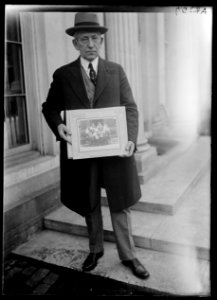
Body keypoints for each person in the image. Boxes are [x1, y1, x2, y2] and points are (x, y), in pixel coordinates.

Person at [42, 12, 150, 280]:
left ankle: (129, 255)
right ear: (75, 43)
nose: (91, 44)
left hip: (114, 152)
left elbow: (131, 109)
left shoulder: (116, 71)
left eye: (95, 39)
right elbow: (50, 108)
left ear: (101, 42)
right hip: (83, 152)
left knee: (120, 202)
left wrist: (129, 140)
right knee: (89, 201)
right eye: (85, 39)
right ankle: (95, 249)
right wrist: (59, 126)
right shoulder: (63, 74)